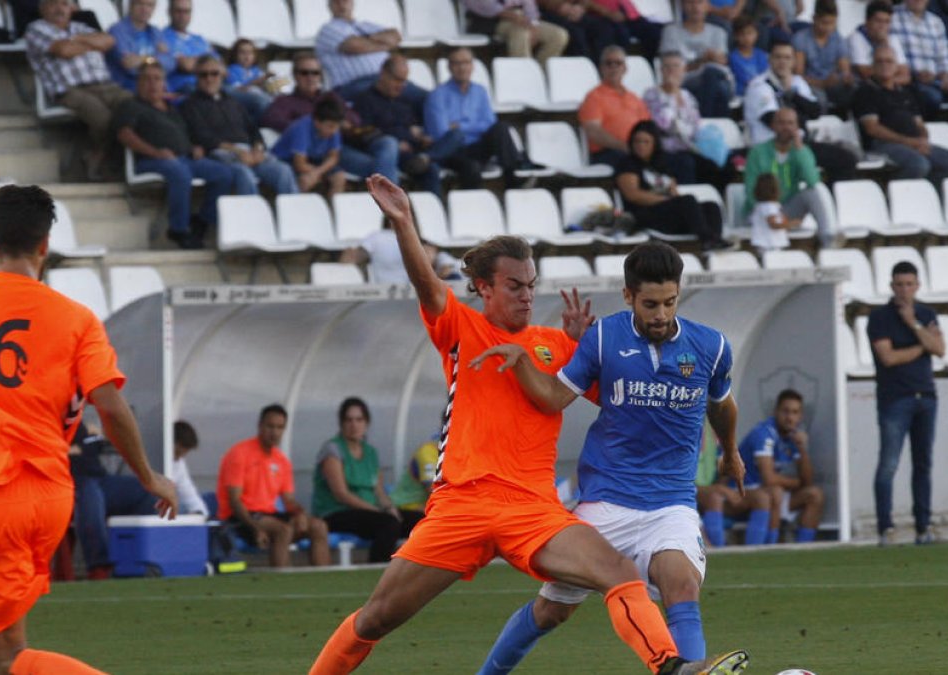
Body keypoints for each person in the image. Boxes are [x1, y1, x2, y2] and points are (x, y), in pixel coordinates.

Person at [306, 174, 739, 675]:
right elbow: (427, 284)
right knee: (378, 618)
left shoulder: (553, 343)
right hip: (461, 503)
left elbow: (617, 398)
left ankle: (671, 666)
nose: (527, 296)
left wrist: (584, 346)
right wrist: (403, 222)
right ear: (483, 287)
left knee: (619, 573)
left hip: (532, 508)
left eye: (531, 286)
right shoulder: (460, 327)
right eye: (514, 286)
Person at [0, 184, 178, 674]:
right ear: (44, 246)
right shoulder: (77, 318)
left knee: (0, 656)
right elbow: (112, 407)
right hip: (53, 497)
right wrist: (147, 475)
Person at [470, 241, 749, 672]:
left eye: (670, 302)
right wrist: (525, 362)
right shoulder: (603, 339)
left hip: (670, 504)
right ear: (628, 296)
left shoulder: (711, 346)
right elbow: (554, 398)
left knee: (682, 586)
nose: (660, 314)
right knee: (551, 612)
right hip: (605, 501)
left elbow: (721, 403)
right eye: (650, 304)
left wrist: (730, 451)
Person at [114, 61, 240, 250]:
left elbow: (183, 133)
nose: (152, 83)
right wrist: (156, 152)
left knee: (224, 173)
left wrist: (194, 147)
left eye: (157, 79)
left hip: (185, 158)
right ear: (138, 83)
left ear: (164, 82)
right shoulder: (131, 105)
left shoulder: (171, 108)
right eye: (146, 79)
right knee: (180, 173)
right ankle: (179, 229)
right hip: (151, 160)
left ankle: (203, 219)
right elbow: (125, 135)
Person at [867, 260, 945, 547]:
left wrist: (913, 324)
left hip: (925, 396)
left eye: (909, 284)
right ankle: (885, 528)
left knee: (923, 464)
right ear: (891, 286)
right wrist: (921, 343)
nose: (904, 290)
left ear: (918, 286)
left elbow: (940, 349)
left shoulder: (925, 313)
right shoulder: (880, 318)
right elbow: (888, 358)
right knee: (889, 463)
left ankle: (923, 527)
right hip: (895, 398)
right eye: (899, 284)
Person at [26, 0, 133, 179]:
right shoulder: (36, 29)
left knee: (135, 106)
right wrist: (91, 44)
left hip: (104, 85)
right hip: (69, 90)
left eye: (64, 4)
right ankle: (98, 156)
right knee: (104, 120)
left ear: (72, 8)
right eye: (54, 4)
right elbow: (64, 50)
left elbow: (108, 41)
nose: (60, 8)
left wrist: (77, 39)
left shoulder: (80, 27)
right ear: (43, 8)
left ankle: (109, 157)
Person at [216, 403, 330, 568]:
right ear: (260, 426)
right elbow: (235, 501)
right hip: (240, 517)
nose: (274, 432)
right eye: (270, 426)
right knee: (283, 530)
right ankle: (283, 583)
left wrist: (301, 514)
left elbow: (288, 499)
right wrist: (255, 528)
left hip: (269, 515)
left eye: (279, 427)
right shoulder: (239, 454)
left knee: (319, 526)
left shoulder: (281, 460)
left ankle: (324, 580)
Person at [259, 52, 399, 184]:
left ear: (320, 76)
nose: (310, 77)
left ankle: (390, 202)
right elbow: (270, 119)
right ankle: (391, 203)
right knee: (378, 168)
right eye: (304, 73)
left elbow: (355, 119)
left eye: (315, 73)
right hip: (321, 149)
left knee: (389, 143)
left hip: (346, 141)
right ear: (295, 75)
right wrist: (311, 126)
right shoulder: (285, 101)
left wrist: (343, 122)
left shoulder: (330, 96)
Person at [312, 397, 418, 563]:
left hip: (368, 512)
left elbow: (379, 491)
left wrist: (389, 507)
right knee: (388, 524)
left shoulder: (371, 452)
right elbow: (341, 494)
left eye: (359, 420)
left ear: (366, 423)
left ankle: (415, 569)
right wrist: (375, 511)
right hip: (337, 512)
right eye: (349, 420)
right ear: (341, 423)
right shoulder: (332, 449)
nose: (354, 425)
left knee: (419, 521)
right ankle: (377, 569)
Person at [180, 55, 298, 196]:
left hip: (248, 151)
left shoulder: (233, 102)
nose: (209, 79)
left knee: (283, 171)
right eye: (203, 75)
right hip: (220, 154)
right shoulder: (190, 105)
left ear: (221, 75)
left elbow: (253, 130)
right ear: (196, 77)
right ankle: (251, 216)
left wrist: (258, 150)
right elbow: (202, 137)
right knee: (244, 174)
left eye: (214, 74)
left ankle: (294, 216)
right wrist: (238, 151)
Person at [743, 39, 858, 182]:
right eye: (778, 57)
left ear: (793, 62)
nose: (782, 62)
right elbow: (773, 121)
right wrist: (801, 115)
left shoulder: (797, 82)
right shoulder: (759, 86)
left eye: (787, 58)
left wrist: (792, 93)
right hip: (770, 147)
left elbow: (815, 112)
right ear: (770, 59)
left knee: (845, 158)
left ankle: (829, 200)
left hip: (798, 144)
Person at [351, 54, 466, 197]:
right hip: (393, 154)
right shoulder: (365, 99)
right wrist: (396, 142)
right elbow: (363, 132)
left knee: (456, 135)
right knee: (431, 169)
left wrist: (422, 136)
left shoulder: (406, 99)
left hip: (415, 149)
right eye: (398, 80)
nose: (402, 85)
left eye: (404, 81)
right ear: (383, 74)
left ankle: (426, 158)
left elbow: (414, 124)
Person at [424, 47, 537, 189]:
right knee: (471, 167)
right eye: (457, 63)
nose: (462, 67)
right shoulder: (437, 95)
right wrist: (472, 126)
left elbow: (490, 123)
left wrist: (460, 125)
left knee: (501, 128)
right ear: (449, 67)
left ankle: (512, 178)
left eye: (466, 62)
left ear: (472, 66)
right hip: (452, 150)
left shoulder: (480, 90)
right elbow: (442, 133)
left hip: (477, 147)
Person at [853, 44, 948, 183]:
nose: (884, 65)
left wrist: (923, 140)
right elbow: (872, 128)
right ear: (872, 66)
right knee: (918, 164)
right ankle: (898, 199)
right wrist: (909, 142)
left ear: (897, 66)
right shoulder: (865, 91)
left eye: (889, 61)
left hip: (913, 143)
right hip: (883, 145)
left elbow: (919, 124)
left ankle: (929, 197)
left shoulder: (906, 92)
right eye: (879, 61)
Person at [615, 121, 728, 252]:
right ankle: (707, 239)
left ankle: (714, 242)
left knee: (711, 206)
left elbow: (673, 191)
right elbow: (632, 195)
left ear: (654, 144)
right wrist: (668, 201)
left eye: (646, 142)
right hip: (643, 215)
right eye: (637, 141)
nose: (640, 146)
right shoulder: (628, 164)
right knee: (687, 200)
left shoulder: (662, 164)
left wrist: (678, 203)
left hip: (667, 214)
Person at [734, 389, 824, 544]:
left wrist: (803, 449)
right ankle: (762, 548)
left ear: (800, 416)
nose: (790, 417)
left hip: (773, 494)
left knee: (815, 495)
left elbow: (808, 482)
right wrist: (797, 483)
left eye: (795, 412)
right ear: (776, 412)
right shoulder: (764, 433)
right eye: (786, 411)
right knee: (774, 492)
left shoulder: (793, 437)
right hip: (744, 492)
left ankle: (803, 551)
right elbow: (768, 479)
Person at [70, 423, 158, 580]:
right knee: (90, 497)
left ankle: (139, 556)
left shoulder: (77, 420)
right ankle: (99, 565)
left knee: (146, 490)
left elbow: (94, 445)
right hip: (72, 484)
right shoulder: (46, 420)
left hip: (100, 479)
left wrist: (88, 442)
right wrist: (78, 446)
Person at [742, 107, 839, 247]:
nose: (786, 127)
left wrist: (799, 149)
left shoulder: (802, 151)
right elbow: (751, 191)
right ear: (773, 126)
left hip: (787, 209)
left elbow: (812, 181)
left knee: (813, 191)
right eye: (781, 123)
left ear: (797, 127)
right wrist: (771, 214)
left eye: (790, 123)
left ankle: (828, 240)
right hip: (761, 211)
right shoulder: (758, 152)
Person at [644, 51, 730, 188]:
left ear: (684, 70)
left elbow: (695, 125)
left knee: (720, 166)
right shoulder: (652, 95)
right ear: (660, 70)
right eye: (667, 67)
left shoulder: (687, 96)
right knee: (686, 163)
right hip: (666, 150)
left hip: (689, 147)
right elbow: (664, 125)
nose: (671, 70)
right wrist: (671, 96)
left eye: (676, 66)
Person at [316, 0, 426, 106]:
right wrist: (383, 43)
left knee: (428, 99)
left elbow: (395, 36)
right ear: (329, 5)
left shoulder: (365, 25)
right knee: (411, 95)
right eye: (336, 1)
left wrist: (366, 39)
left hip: (386, 78)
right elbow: (354, 47)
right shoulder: (328, 29)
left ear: (352, 3)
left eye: (345, 0)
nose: (341, 4)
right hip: (354, 84)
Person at [579, 45, 652, 168]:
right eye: (608, 63)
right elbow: (593, 131)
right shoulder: (594, 97)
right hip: (607, 153)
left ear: (625, 68)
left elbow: (646, 128)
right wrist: (623, 146)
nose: (613, 67)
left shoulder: (634, 98)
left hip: (636, 150)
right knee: (630, 161)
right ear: (601, 68)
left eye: (618, 63)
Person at [659, 0, 734, 118]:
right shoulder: (671, 31)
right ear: (683, 6)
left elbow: (721, 63)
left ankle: (707, 122)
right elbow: (670, 68)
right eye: (690, 2)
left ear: (707, 6)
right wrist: (703, 60)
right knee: (717, 85)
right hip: (684, 81)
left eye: (699, 2)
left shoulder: (719, 32)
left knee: (713, 77)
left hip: (715, 79)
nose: (695, 7)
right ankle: (712, 123)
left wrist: (705, 62)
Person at [270, 96, 348, 197]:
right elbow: (300, 164)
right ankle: (295, 208)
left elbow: (333, 157)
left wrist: (317, 173)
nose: (334, 131)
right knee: (306, 180)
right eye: (330, 126)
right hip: (286, 161)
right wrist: (317, 174)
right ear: (317, 122)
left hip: (313, 161)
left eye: (337, 126)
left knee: (339, 177)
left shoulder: (333, 129)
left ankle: (334, 210)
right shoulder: (301, 128)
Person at [462, 0, 569, 69]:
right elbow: (486, 6)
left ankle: (541, 72)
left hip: (522, 20)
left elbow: (529, 6)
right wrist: (517, 18)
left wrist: (534, 25)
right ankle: (523, 74)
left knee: (558, 35)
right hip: (491, 21)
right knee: (521, 32)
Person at [792, 0, 855, 115]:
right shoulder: (801, 39)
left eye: (832, 23)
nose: (828, 28)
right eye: (824, 23)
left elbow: (844, 70)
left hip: (832, 83)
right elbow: (798, 76)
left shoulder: (838, 39)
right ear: (814, 18)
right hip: (810, 84)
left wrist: (847, 78)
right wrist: (822, 83)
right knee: (819, 100)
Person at [890, 0, 948, 115]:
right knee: (932, 98)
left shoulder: (936, 22)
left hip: (935, 80)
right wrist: (915, 74)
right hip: (908, 81)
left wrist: (945, 76)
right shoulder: (891, 17)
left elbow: (943, 59)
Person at [106, 0, 175, 91]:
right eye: (140, 3)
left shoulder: (156, 32)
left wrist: (141, 59)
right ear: (131, 5)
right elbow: (129, 66)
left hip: (158, 92)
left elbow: (170, 63)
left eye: (149, 5)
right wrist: (157, 57)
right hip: (129, 91)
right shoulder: (117, 31)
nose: (145, 9)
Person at [847, 0, 910, 85]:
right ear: (867, 21)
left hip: (891, 89)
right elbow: (865, 72)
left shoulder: (893, 39)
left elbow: (906, 76)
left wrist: (887, 80)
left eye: (887, 22)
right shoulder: (856, 38)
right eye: (878, 21)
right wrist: (893, 72)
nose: (882, 26)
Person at [161, 0, 213, 95]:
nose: (182, 16)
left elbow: (221, 66)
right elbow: (186, 66)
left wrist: (194, 61)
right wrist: (205, 61)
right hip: (184, 89)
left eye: (186, 12)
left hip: (212, 86)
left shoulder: (200, 39)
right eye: (178, 11)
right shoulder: (162, 37)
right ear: (169, 12)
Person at [539, 0, 618, 61]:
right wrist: (560, 6)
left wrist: (581, 7)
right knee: (577, 33)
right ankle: (583, 72)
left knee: (603, 29)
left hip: (573, 9)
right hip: (547, 12)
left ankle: (602, 70)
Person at [586, 0, 664, 61]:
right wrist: (608, 13)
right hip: (603, 16)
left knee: (653, 32)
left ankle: (649, 66)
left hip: (629, 14)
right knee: (621, 34)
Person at [224, 38, 274, 124]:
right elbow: (238, 90)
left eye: (250, 53)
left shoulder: (256, 70)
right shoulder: (231, 70)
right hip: (246, 105)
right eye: (242, 52)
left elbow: (265, 86)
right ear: (234, 55)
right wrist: (259, 80)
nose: (247, 56)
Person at [748, 172, 794, 251]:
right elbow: (773, 224)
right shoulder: (769, 206)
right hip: (770, 242)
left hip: (767, 242)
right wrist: (790, 224)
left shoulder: (761, 206)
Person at [173, 420, 208, 516]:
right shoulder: (152, 461)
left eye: (185, 453)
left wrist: (199, 513)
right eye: (178, 453)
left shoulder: (179, 463)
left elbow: (189, 494)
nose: (182, 457)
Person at [728, 17, 768, 96]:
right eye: (742, 34)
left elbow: (765, 74)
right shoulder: (733, 57)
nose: (746, 38)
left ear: (756, 34)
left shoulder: (761, 55)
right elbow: (744, 79)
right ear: (736, 36)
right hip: (742, 94)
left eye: (750, 33)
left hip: (762, 91)